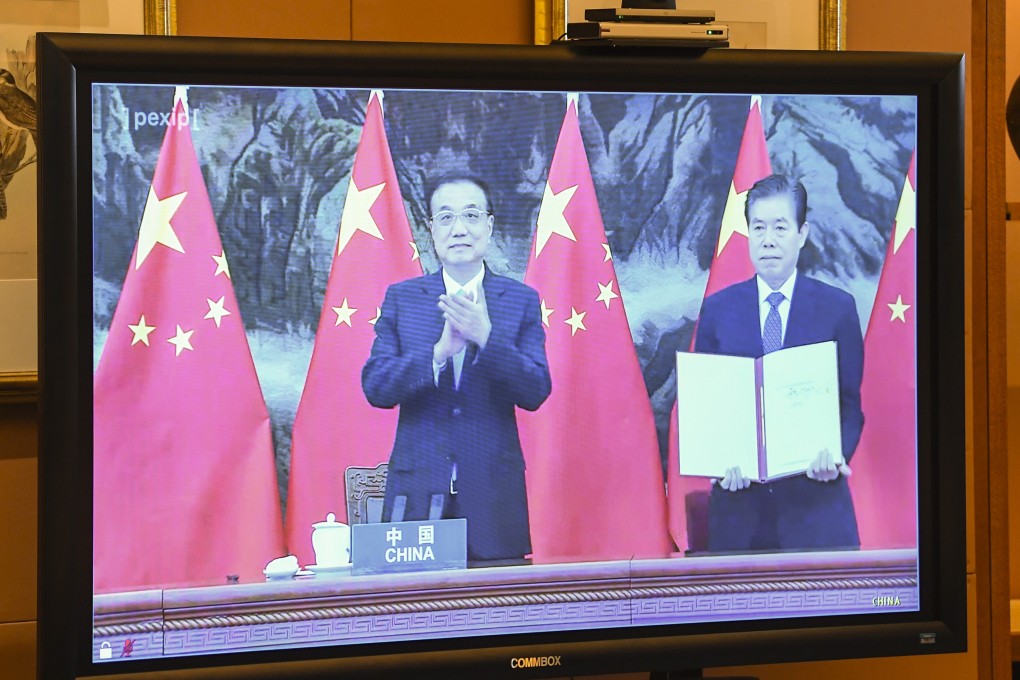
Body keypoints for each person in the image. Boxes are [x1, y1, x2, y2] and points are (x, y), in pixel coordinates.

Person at [362, 175, 551, 563]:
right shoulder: (403, 299)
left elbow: (536, 389)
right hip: (415, 501)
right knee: (412, 620)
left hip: (494, 501)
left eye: (471, 215)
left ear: (489, 225)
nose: (459, 229)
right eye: (446, 218)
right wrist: (437, 354)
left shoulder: (520, 301)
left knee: (501, 618)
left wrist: (487, 337)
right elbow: (376, 387)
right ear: (431, 229)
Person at [694, 174, 864, 552]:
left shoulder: (837, 308)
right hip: (739, 514)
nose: (768, 239)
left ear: (802, 233)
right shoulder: (718, 310)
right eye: (758, 227)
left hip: (816, 511)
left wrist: (835, 456)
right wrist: (719, 463)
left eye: (780, 227)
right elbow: (706, 407)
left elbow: (851, 406)